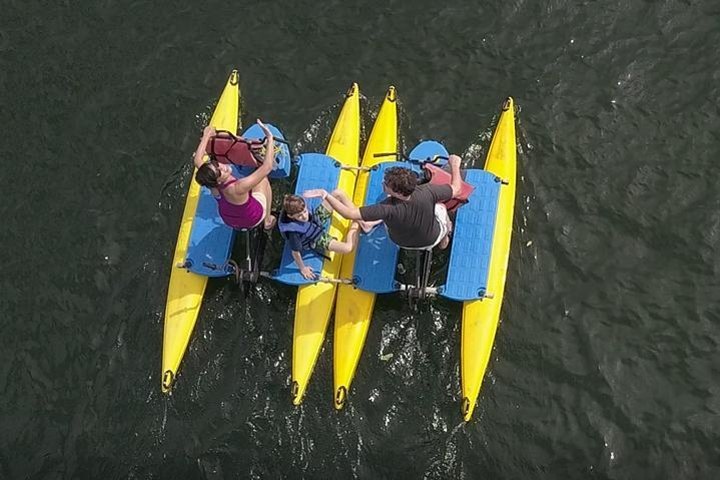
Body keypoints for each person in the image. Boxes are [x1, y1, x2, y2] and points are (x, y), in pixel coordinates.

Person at [303, 154, 464, 250]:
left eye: (386, 185)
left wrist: (325, 195)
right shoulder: (428, 192)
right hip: (430, 240)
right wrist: (455, 165)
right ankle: (444, 240)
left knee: (387, 214)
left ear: (399, 192)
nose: (383, 185)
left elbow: (349, 214)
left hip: (400, 242)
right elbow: (456, 189)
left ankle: (368, 224)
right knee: (441, 207)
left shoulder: (386, 208)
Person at [193, 120, 276, 231]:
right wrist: (270, 138)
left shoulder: (210, 182)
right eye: (219, 172)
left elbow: (197, 160)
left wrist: (206, 135)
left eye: (216, 164)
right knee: (263, 180)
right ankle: (267, 220)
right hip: (253, 218)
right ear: (217, 180)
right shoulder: (239, 186)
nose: (222, 167)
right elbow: (267, 167)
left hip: (230, 221)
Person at [279, 194, 360, 280]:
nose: (304, 216)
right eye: (299, 216)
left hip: (315, 220)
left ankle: (356, 216)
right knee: (348, 248)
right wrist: (303, 268)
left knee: (338, 194)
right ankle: (357, 224)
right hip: (315, 238)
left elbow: (308, 214)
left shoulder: (301, 208)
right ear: (291, 216)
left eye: (305, 211)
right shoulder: (293, 233)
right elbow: (295, 253)